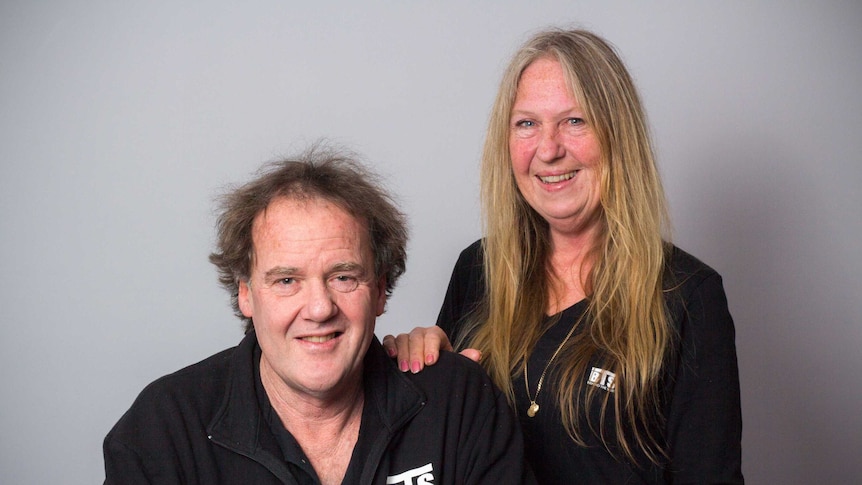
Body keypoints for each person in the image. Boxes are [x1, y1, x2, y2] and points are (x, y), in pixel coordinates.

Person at [384, 29, 744, 484]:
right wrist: (421, 368)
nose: (549, 149)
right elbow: (442, 445)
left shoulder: (688, 296)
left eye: (574, 121)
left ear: (619, 136)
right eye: (527, 124)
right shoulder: (479, 269)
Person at [103, 145, 534, 484]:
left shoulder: (457, 404)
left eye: (344, 277)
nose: (319, 308)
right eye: (286, 280)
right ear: (246, 295)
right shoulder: (163, 431)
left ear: (381, 290)